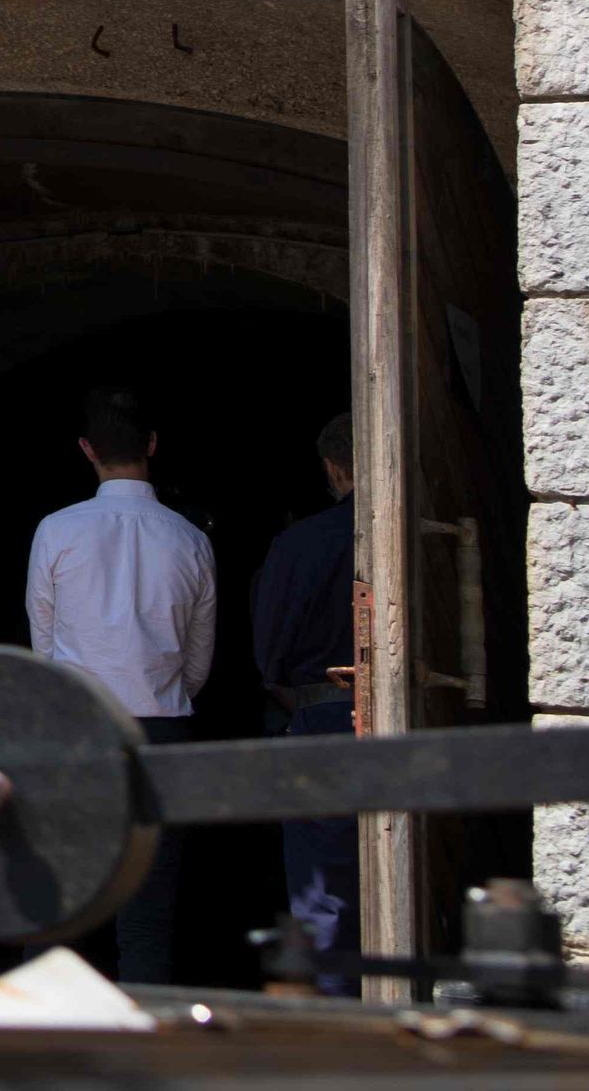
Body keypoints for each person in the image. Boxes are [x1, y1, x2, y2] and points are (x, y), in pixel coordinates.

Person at [26, 385, 217, 984]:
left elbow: (44, 644)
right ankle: (141, 1056)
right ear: (152, 445)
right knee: (147, 917)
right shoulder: (191, 540)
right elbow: (197, 663)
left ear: (87, 450)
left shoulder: (55, 532)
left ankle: (43, 1049)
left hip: (75, 731)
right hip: (160, 736)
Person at [254, 413, 360, 991]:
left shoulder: (299, 544)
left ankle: (334, 1028)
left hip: (321, 718)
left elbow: (269, 654)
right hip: (424, 726)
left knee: (324, 893)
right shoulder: (414, 526)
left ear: (332, 467)